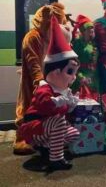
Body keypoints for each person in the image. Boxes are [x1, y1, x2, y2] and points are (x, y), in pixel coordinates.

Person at [19, 16, 80, 171]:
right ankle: (56, 159)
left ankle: (48, 150)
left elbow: (61, 111)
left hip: (46, 128)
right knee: (59, 121)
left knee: (73, 132)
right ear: (55, 72)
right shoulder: (44, 88)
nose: (73, 77)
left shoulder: (63, 90)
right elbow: (46, 107)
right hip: (34, 129)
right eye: (70, 71)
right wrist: (58, 102)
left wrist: (69, 105)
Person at [14, 2, 68, 155]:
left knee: (47, 109)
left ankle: (42, 139)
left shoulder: (51, 38)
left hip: (49, 81)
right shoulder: (33, 37)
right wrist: (39, 80)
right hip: (33, 81)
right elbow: (33, 61)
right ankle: (21, 138)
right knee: (27, 105)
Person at [71, 14, 100, 100]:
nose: (92, 30)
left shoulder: (94, 43)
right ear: (83, 31)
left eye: (92, 28)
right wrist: (80, 77)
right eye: (89, 28)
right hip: (81, 77)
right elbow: (73, 62)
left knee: (94, 101)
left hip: (94, 78)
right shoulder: (77, 43)